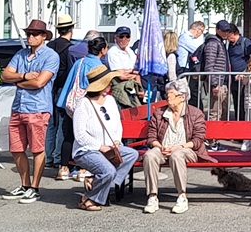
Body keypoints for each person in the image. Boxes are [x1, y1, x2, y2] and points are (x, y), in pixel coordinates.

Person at [0, 19, 61, 204]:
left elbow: (40, 82)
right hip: (18, 107)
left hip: (37, 108)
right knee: (16, 148)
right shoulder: (21, 54)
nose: (30, 37)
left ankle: (34, 188)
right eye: (28, 33)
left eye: (34, 34)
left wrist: (18, 82)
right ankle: (25, 185)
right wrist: (23, 76)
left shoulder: (51, 56)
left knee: (37, 149)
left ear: (43, 36)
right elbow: (5, 75)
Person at [71, 65, 139, 211]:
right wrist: (100, 147)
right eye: (108, 81)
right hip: (87, 150)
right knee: (108, 171)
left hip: (109, 147)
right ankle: (89, 199)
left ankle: (95, 181)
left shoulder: (110, 100)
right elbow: (80, 135)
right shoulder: (83, 105)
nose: (111, 83)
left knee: (132, 154)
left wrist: (117, 140)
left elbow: (117, 123)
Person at [143, 78, 207, 214]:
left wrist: (179, 147)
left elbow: (198, 140)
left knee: (177, 155)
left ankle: (182, 196)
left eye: (170, 95)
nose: (167, 97)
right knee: (149, 155)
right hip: (163, 148)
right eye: (166, 94)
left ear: (182, 97)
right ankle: (153, 196)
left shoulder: (195, 113)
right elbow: (151, 137)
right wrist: (160, 147)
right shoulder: (159, 113)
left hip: (186, 149)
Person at [57, 36, 109, 181]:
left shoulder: (79, 62)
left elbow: (69, 83)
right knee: (88, 136)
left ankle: (63, 168)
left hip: (72, 104)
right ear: (103, 49)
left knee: (69, 136)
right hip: (89, 104)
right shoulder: (100, 66)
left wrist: (63, 103)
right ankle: (83, 169)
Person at [46, 13, 76, 180]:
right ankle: (58, 157)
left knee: (51, 123)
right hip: (64, 88)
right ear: (71, 29)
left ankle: (48, 157)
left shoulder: (49, 46)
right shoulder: (70, 48)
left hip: (49, 86)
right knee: (63, 125)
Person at [196, 20, 231, 118]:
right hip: (217, 82)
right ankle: (213, 128)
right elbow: (209, 66)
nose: (226, 33)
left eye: (228, 31)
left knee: (223, 112)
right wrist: (214, 84)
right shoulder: (213, 44)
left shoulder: (220, 43)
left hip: (222, 82)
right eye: (224, 30)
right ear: (217, 30)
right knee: (215, 112)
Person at [224, 22, 251, 118]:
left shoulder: (246, 42)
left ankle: (243, 121)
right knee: (236, 102)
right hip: (233, 79)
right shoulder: (230, 45)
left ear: (233, 33)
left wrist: (246, 73)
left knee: (243, 102)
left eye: (228, 35)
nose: (227, 38)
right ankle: (237, 120)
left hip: (243, 78)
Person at [105, 27, 144, 109]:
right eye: (121, 36)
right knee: (123, 112)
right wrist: (133, 72)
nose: (124, 39)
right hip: (120, 88)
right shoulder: (113, 52)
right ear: (115, 37)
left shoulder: (130, 51)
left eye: (127, 36)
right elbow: (122, 76)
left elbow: (137, 72)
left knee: (138, 110)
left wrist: (140, 88)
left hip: (132, 88)